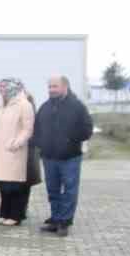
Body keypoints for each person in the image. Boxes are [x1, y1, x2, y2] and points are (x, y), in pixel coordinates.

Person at [33, 75, 93, 236]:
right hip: (49, 157)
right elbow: (37, 128)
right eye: (50, 86)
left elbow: (87, 129)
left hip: (70, 157)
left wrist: (69, 139)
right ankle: (55, 218)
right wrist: (40, 143)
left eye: (55, 86)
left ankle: (64, 221)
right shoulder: (45, 107)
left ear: (65, 87)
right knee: (52, 189)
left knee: (69, 190)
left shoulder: (77, 106)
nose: (51, 90)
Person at [0, 78, 38, 226]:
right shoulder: (1, 105)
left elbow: (27, 129)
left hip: (14, 151)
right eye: (0, 87)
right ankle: (4, 214)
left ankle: (15, 215)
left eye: (4, 87)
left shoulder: (24, 105)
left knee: (14, 185)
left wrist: (16, 143)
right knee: (3, 184)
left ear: (12, 88)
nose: (1, 90)